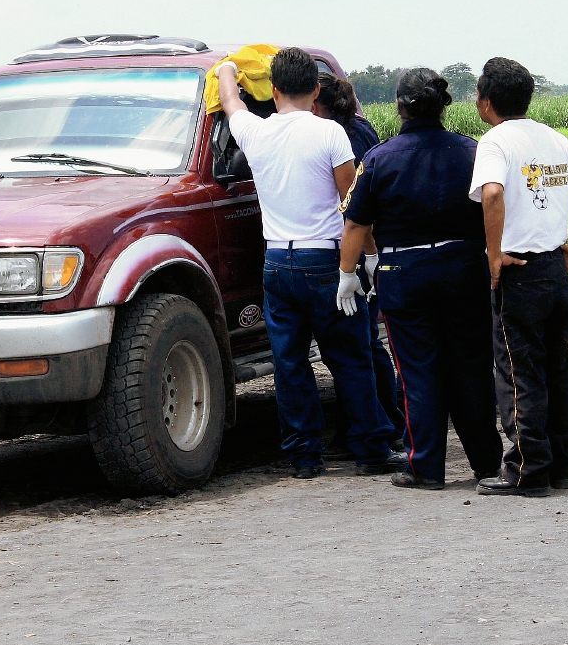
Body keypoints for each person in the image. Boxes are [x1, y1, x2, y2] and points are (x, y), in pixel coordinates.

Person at [216, 48, 405, 479]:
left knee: (289, 362)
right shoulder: (329, 135)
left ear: (275, 89)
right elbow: (352, 207)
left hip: (276, 261)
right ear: (316, 89)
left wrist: (229, 67)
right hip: (326, 260)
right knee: (350, 357)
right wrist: (370, 258)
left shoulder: (255, 132)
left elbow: (232, 101)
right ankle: (371, 447)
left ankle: (303, 455)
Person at [338, 68, 504, 489]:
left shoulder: (379, 158)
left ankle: (426, 467)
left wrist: (347, 274)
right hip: (466, 269)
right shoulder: (472, 152)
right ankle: (487, 462)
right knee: (471, 369)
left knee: (418, 373)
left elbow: (356, 226)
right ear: (443, 106)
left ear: (399, 107)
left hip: (404, 274)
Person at [468, 57, 568, 497]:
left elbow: (492, 193)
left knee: (517, 370)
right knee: (555, 365)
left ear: (486, 102)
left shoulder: (494, 142)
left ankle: (528, 470)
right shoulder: (552, 137)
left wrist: (493, 255)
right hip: (553, 267)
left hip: (518, 270)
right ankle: (562, 462)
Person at [311, 74, 405, 446]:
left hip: (357, 246)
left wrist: (363, 257)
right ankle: (386, 422)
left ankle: (377, 426)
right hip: (370, 245)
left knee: (359, 344)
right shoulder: (360, 129)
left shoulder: (338, 138)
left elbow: (355, 208)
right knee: (366, 342)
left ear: (318, 104)